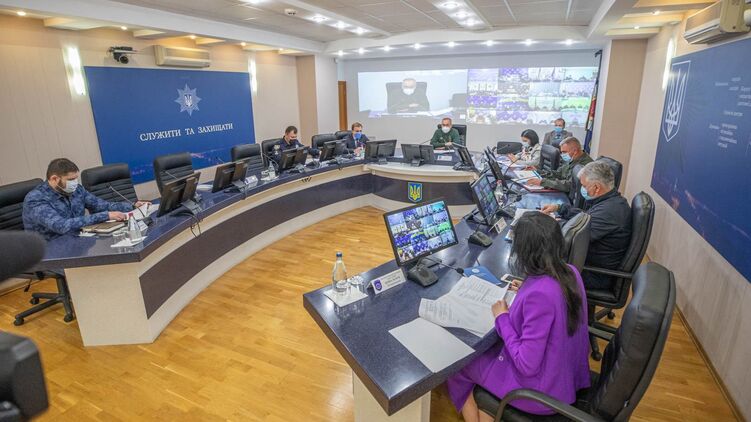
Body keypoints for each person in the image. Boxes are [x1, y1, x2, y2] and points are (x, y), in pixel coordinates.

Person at [447, 212, 590, 421]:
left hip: (541, 392)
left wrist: (502, 317)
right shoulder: (570, 271)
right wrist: (526, 288)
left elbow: (526, 364)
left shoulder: (540, 295)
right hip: (566, 374)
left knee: (456, 366)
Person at [541, 161, 632, 290]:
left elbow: (573, 236)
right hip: (586, 262)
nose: (582, 189)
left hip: (594, 274)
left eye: (584, 186)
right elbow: (584, 217)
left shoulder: (610, 212)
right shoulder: (611, 202)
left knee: (537, 265)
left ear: (596, 187)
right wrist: (559, 208)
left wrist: (549, 223)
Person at [23, 158, 148, 240]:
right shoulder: (36, 199)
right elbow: (61, 225)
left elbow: (101, 205)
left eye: (75, 178)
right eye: (70, 179)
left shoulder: (77, 189)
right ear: (54, 179)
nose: (74, 182)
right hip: (51, 252)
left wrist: (132, 205)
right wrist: (105, 215)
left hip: (79, 240)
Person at [526, 137, 592, 193]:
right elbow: (558, 174)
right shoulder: (572, 158)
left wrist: (543, 182)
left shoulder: (586, 166)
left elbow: (569, 185)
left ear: (575, 151)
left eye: (564, 152)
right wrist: (538, 171)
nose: (562, 155)